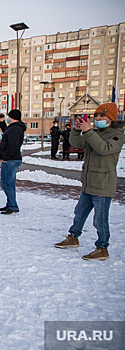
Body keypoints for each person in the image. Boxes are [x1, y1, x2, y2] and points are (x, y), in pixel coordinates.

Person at [55, 103, 124, 260]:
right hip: (89, 183)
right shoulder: (96, 133)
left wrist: (88, 131)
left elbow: (103, 148)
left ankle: (102, 247)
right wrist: (76, 129)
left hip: (103, 184)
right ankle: (73, 237)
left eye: (102, 116)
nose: (97, 118)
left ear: (111, 119)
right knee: (79, 212)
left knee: (100, 219)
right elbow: (77, 143)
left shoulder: (117, 135)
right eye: (96, 116)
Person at [0, 109, 26, 215]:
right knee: (8, 184)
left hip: (11, 159)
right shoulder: (15, 128)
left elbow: (13, 145)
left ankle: (13, 206)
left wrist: (5, 157)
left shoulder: (15, 129)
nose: (7, 118)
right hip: (12, 159)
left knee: (7, 184)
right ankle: (10, 204)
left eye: (8, 117)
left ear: (12, 117)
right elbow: (6, 131)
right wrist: (2, 121)